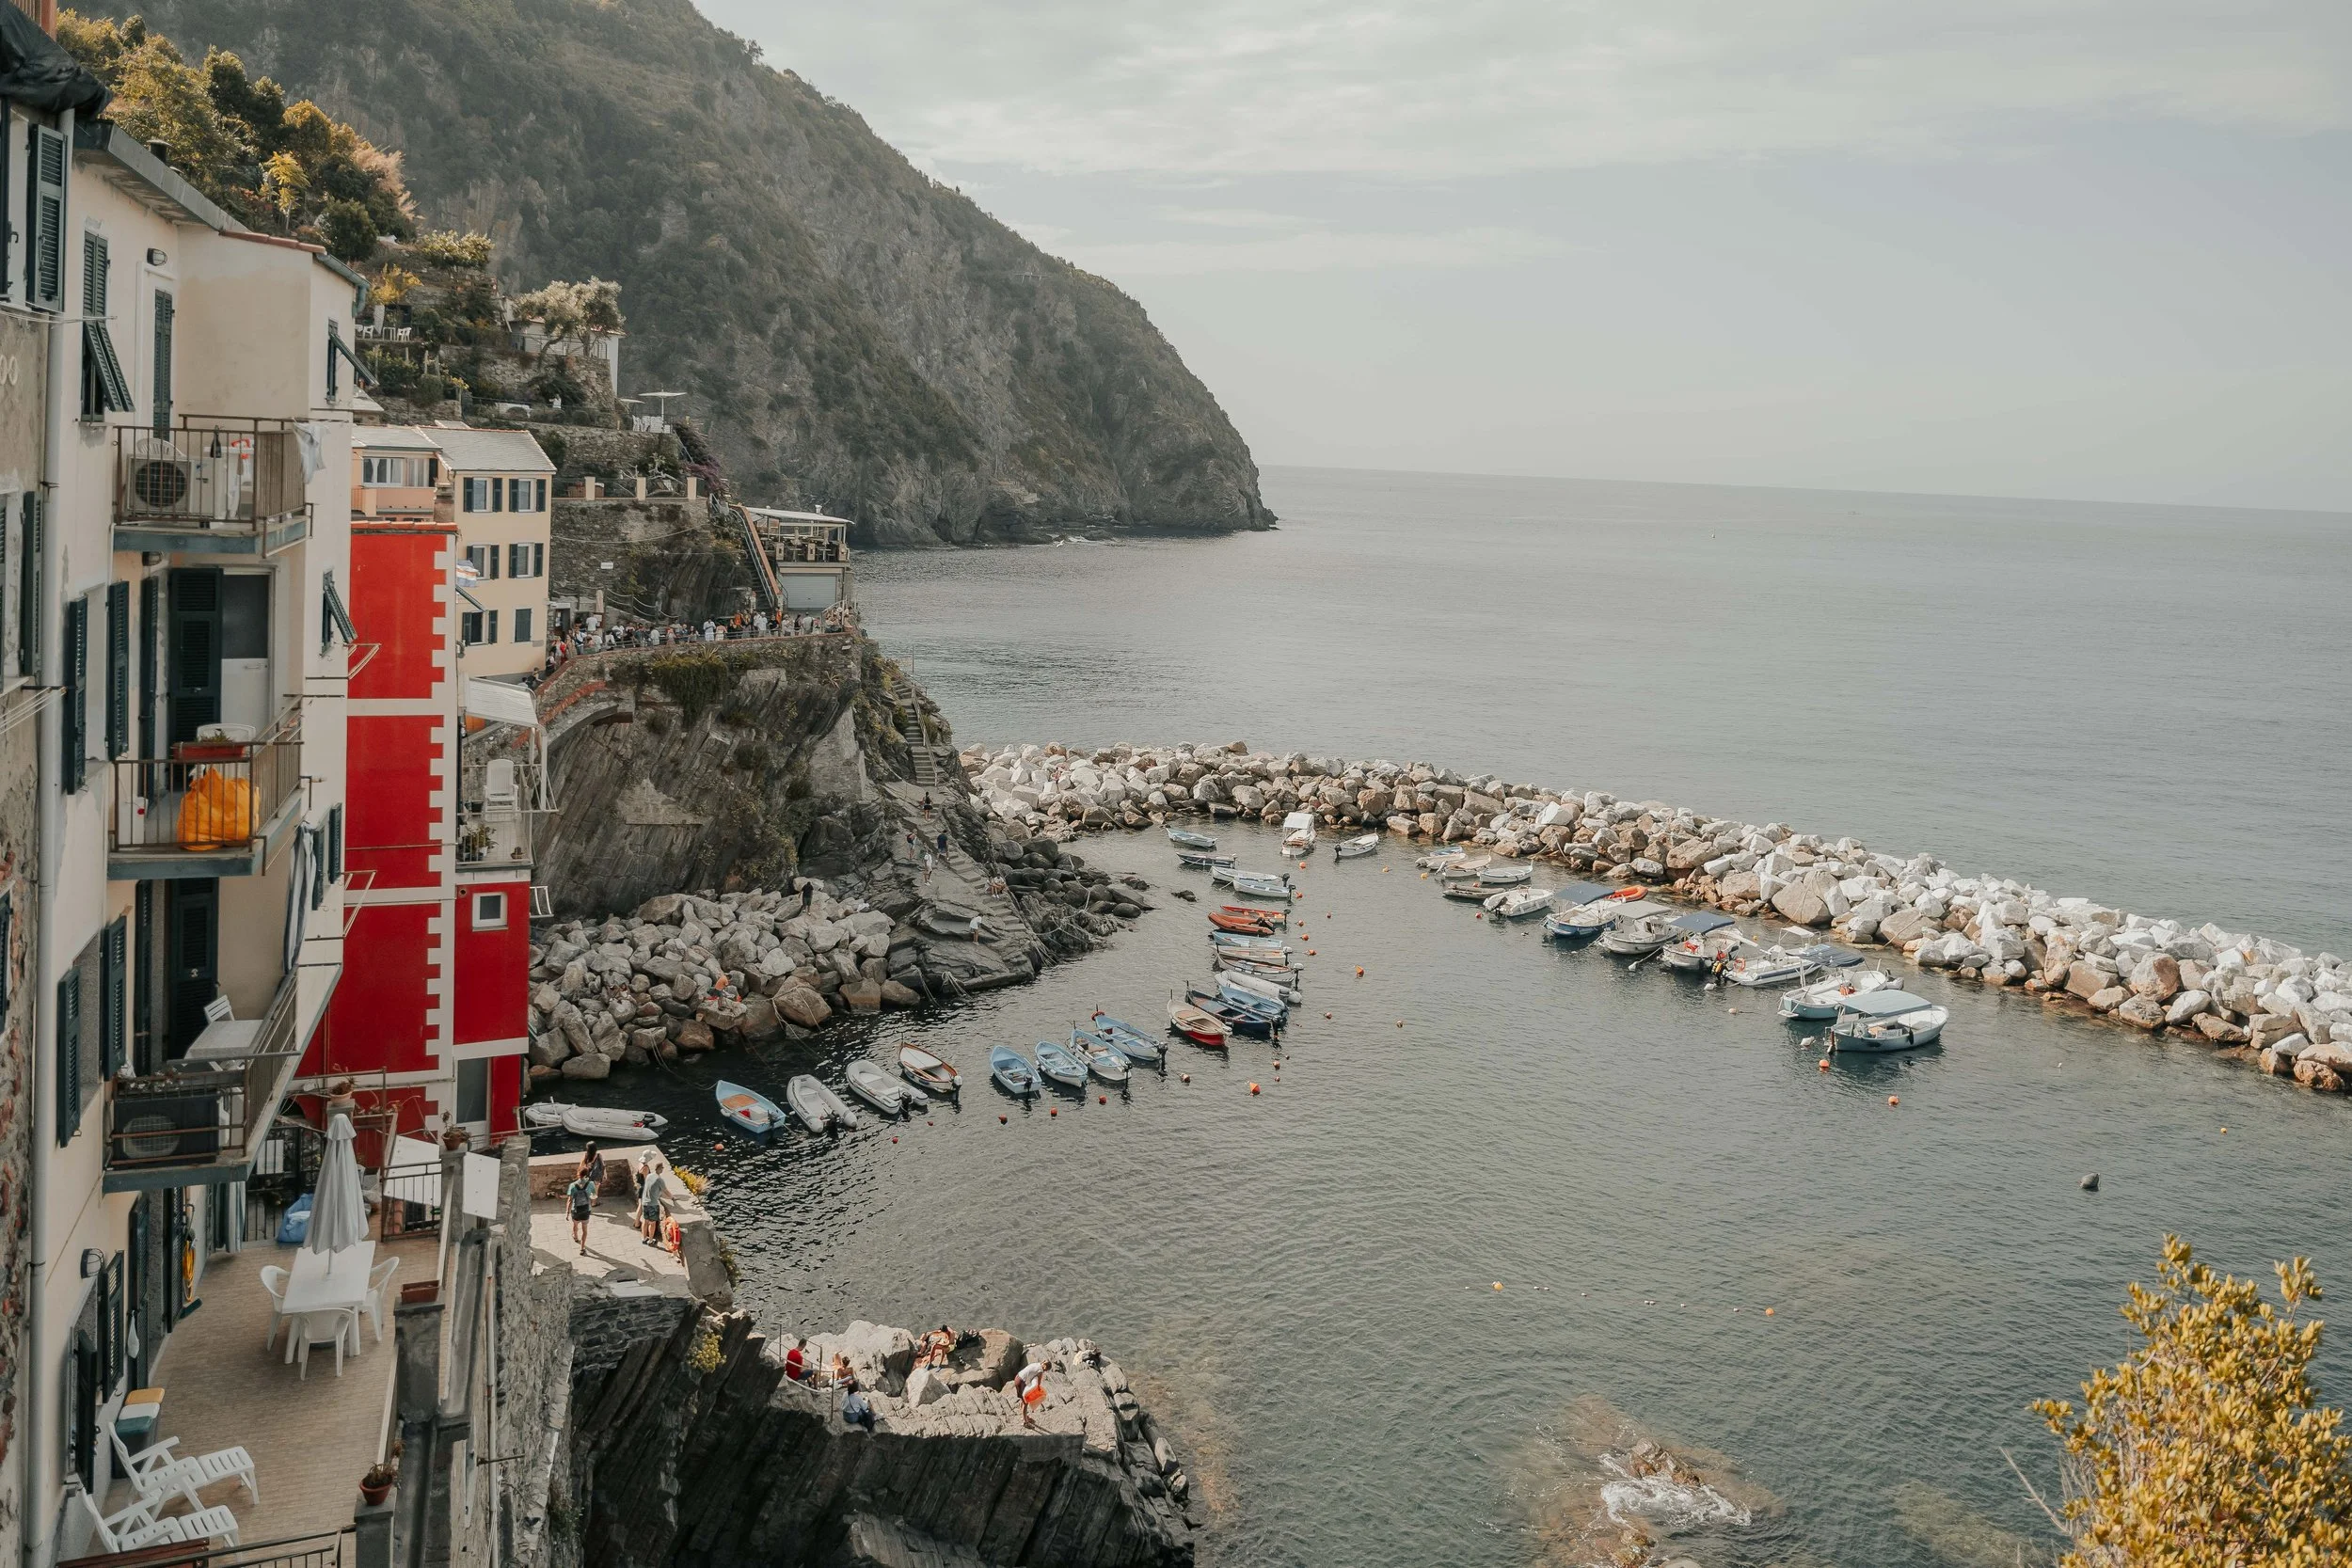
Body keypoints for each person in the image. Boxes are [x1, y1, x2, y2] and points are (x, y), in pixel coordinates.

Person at [635, 1153, 665, 1245]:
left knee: (641, 1207)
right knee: (650, 1220)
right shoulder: (646, 1168)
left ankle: (637, 1224)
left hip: (641, 1188)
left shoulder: (640, 1164)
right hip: (645, 1190)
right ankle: (650, 1239)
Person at [565, 1167, 596, 1255]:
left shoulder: (572, 1185)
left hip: (575, 1210)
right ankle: (582, 1248)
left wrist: (567, 1213)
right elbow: (594, 1195)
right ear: (587, 1174)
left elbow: (570, 1200)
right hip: (586, 1210)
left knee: (575, 1224)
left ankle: (575, 1237)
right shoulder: (591, 1184)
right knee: (585, 1230)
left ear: (578, 1173)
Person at [1014, 1359, 1048, 1428]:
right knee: (1025, 1403)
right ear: (1045, 1367)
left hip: (1017, 1377)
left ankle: (1024, 1417)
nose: (1045, 1371)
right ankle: (1025, 1422)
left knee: (1023, 1399)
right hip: (1021, 1382)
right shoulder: (1040, 1370)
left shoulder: (1036, 1364)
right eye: (1046, 1370)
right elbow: (1038, 1383)